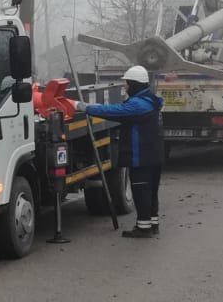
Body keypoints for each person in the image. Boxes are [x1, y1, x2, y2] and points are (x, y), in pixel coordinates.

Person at [70, 64, 164, 239]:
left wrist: (82, 106)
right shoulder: (151, 101)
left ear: (135, 84)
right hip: (153, 156)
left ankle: (143, 228)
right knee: (151, 191)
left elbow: (113, 111)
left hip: (141, 157)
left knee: (141, 191)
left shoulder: (138, 105)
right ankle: (152, 223)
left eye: (127, 83)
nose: (125, 87)